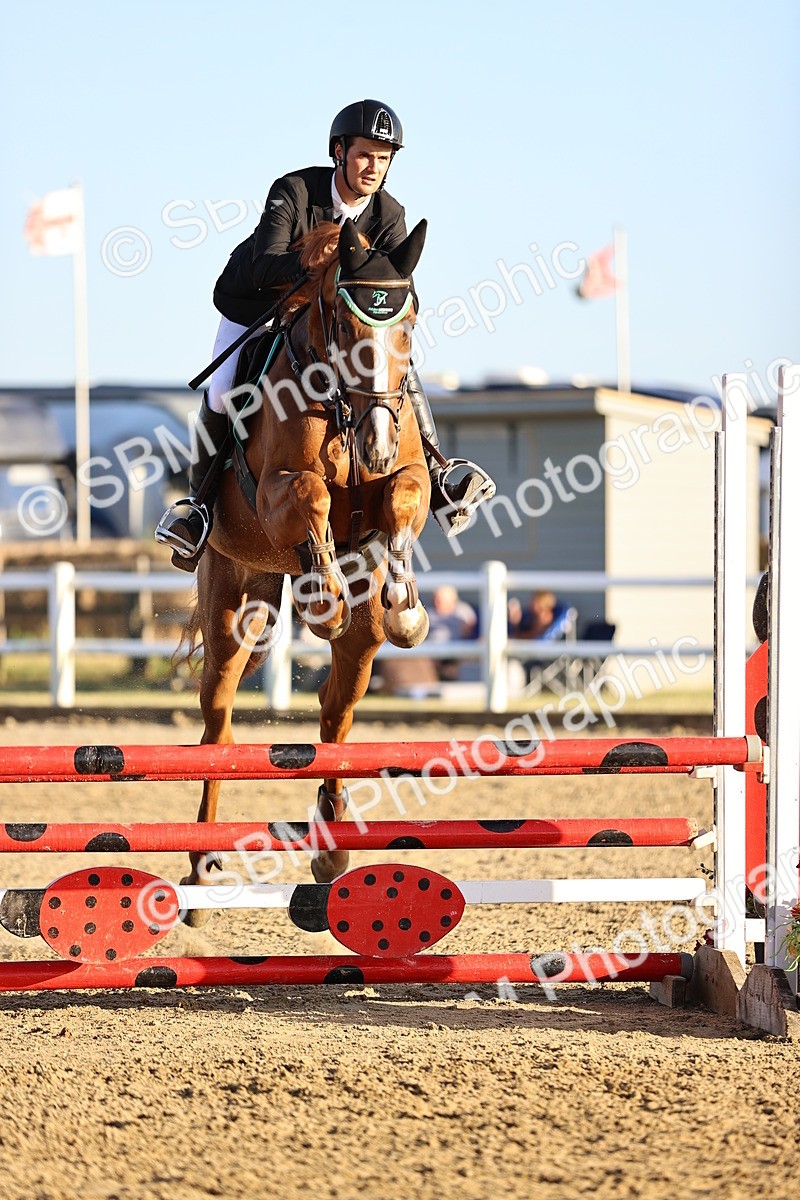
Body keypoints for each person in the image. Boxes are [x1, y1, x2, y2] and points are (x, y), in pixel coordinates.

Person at [156, 99, 496, 567]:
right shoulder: (294, 191)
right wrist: (322, 259)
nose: (373, 167)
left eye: (383, 157)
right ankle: (197, 507)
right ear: (339, 151)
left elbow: (399, 284)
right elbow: (262, 262)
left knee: (397, 368)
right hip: (261, 304)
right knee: (221, 392)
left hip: (337, 323)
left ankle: (439, 475)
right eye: (364, 155)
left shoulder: (389, 214)